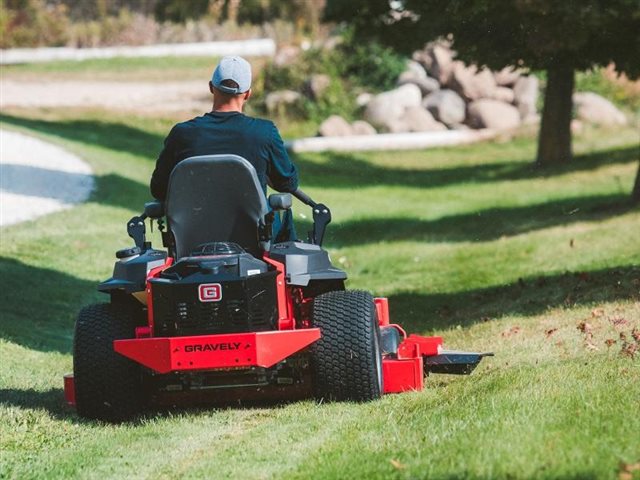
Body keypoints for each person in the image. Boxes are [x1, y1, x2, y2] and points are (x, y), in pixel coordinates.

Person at [150, 55, 298, 241]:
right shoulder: (264, 133)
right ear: (248, 94)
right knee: (283, 213)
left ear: (212, 87)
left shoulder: (182, 134)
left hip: (192, 237)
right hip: (253, 237)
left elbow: (158, 189)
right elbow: (288, 184)